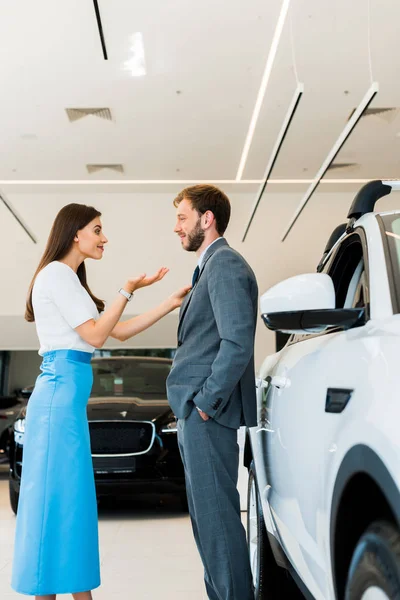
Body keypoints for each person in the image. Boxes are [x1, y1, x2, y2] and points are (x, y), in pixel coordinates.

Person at [11, 203, 190, 599]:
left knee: (65, 507)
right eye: (97, 229)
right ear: (75, 233)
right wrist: (126, 289)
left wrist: (167, 303)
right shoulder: (56, 274)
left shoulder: (67, 279)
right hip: (57, 398)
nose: (103, 237)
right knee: (58, 507)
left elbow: (117, 332)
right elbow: (96, 337)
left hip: (63, 401)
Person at [166, 185, 258, 600]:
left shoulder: (224, 266)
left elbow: (237, 342)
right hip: (197, 415)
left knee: (218, 525)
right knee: (208, 525)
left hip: (208, 416)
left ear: (207, 219)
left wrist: (204, 404)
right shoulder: (209, 269)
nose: (176, 227)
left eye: (183, 218)